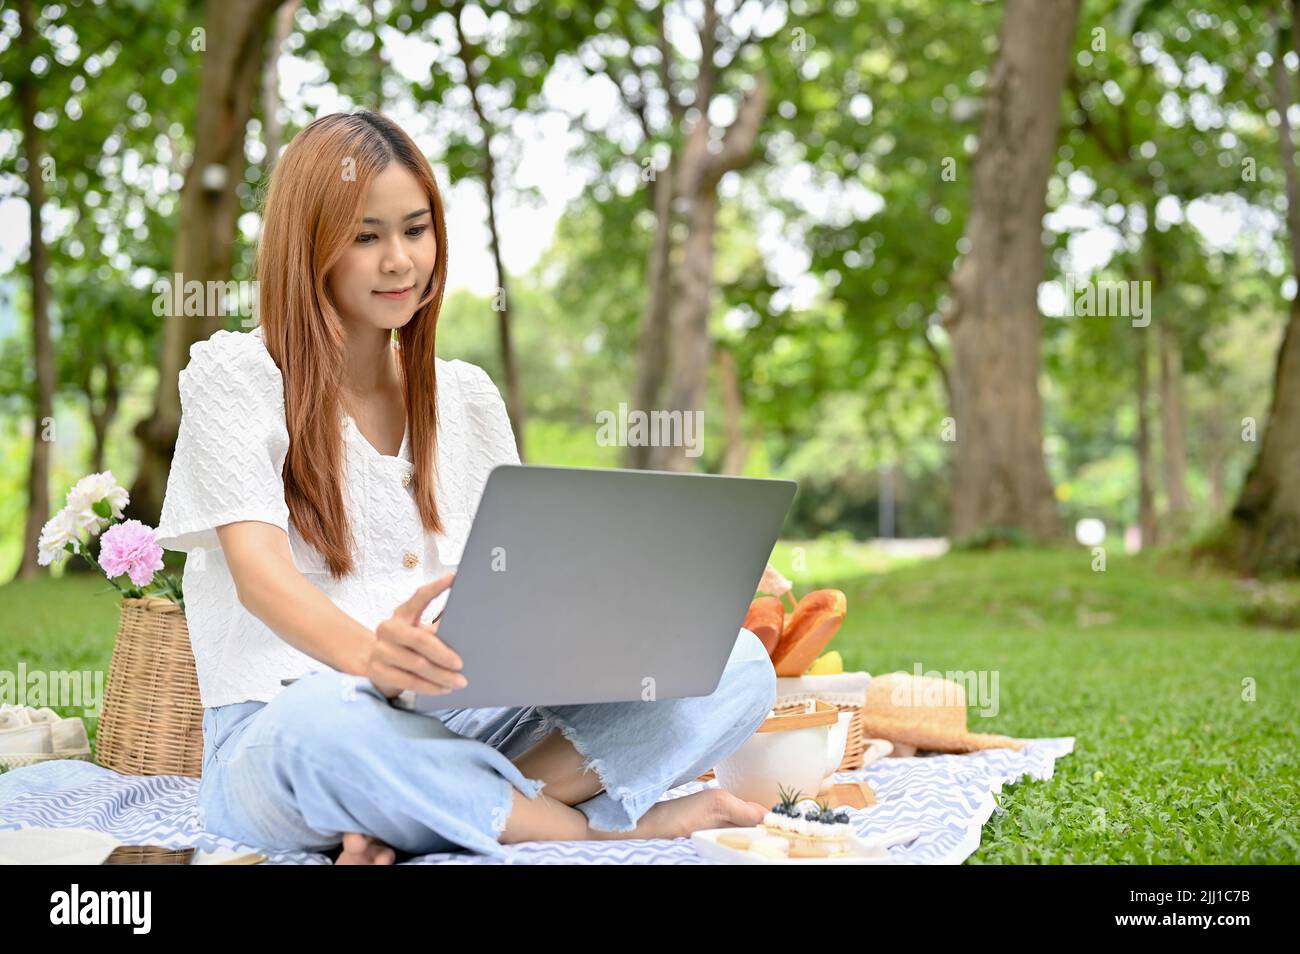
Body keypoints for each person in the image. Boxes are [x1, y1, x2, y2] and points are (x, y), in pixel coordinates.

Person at [154, 110, 777, 864]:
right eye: (365, 236)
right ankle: (586, 828)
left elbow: (515, 586)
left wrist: (671, 602)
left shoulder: (467, 397)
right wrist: (369, 660)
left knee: (736, 666)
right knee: (320, 724)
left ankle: (427, 811)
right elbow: (260, 579)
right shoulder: (235, 375)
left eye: (415, 230)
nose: (400, 262)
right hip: (288, 734)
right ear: (307, 244)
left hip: (462, 720)